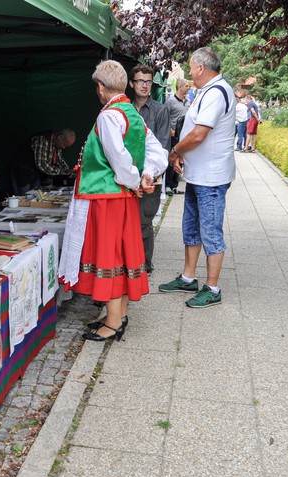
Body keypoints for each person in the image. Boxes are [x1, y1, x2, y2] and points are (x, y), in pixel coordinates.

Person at [57, 60, 168, 341]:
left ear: (100, 87)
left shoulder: (108, 116)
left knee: (108, 257)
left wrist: (134, 179)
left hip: (107, 199)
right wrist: (147, 176)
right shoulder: (132, 113)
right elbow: (157, 151)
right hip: (125, 199)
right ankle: (117, 315)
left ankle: (114, 323)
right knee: (122, 256)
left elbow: (119, 161)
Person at [160, 47, 236, 308]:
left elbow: (199, 134)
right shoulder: (207, 90)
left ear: (202, 68)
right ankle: (188, 277)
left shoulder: (216, 92)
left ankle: (212, 288)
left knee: (211, 232)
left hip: (211, 177)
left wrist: (175, 151)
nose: (190, 71)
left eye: (191, 67)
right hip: (199, 174)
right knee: (191, 229)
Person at [130, 64, 171, 276]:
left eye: (148, 82)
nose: (145, 86)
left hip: (151, 178)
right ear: (131, 83)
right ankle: (129, 264)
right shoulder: (124, 109)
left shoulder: (161, 110)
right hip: (125, 178)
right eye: (140, 81)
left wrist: (149, 173)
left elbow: (163, 147)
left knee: (144, 223)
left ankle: (145, 265)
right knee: (127, 224)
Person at [12, 128, 76, 194]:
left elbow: (59, 160)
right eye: (64, 144)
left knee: (35, 197)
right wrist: (60, 172)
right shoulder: (42, 140)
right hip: (23, 173)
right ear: (59, 137)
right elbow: (41, 164)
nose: (64, 147)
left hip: (35, 175)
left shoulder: (56, 144)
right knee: (23, 199)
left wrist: (67, 170)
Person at [164, 78, 190, 194]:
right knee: (172, 159)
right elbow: (164, 116)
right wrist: (170, 130)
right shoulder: (170, 101)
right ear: (180, 87)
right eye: (186, 86)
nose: (188, 88)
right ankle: (167, 185)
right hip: (174, 135)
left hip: (184, 136)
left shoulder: (187, 101)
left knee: (180, 160)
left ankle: (175, 184)